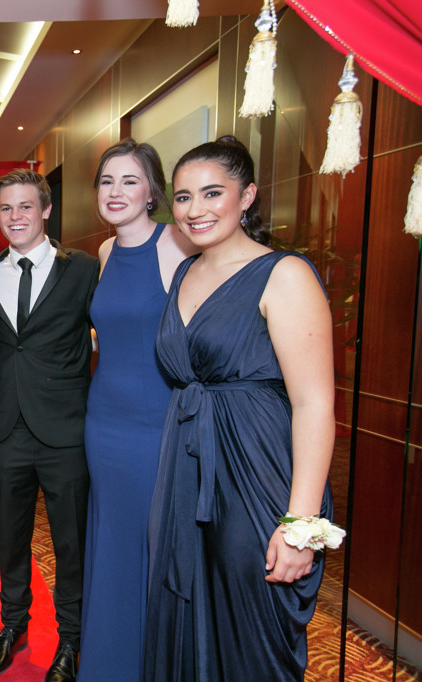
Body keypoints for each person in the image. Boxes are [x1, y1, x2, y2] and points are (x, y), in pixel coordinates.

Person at [144, 136, 341, 681]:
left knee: (253, 637)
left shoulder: (284, 274)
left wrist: (302, 525)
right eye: (183, 197)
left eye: (212, 193)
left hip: (256, 474)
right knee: (185, 624)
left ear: (247, 196)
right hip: (187, 470)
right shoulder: (185, 273)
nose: (195, 209)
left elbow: (315, 403)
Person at [77, 139, 196, 682]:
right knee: (110, 541)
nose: (116, 191)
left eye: (130, 180)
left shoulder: (176, 243)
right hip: (103, 420)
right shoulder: (105, 251)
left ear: (153, 191)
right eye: (107, 181)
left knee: (152, 543)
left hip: (155, 422)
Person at [0, 169, 99, 682]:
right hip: (7, 431)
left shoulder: (84, 269)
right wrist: (7, 385)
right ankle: (13, 625)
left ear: (46, 210)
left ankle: (71, 639)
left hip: (66, 431)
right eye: (6, 208)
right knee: (11, 540)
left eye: (26, 206)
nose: (16, 216)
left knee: (71, 543)